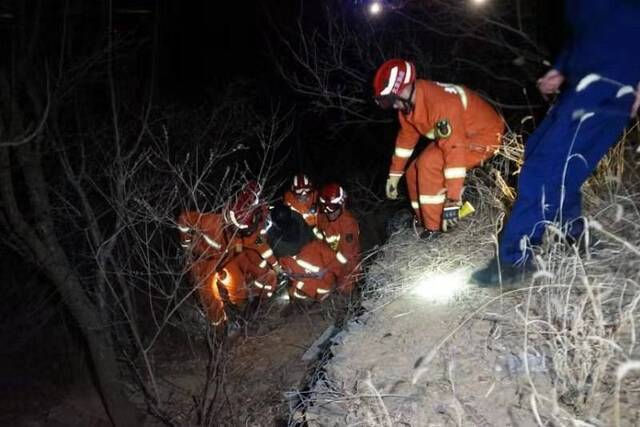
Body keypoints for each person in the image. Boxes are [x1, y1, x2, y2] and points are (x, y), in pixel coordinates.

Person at [472, 0, 640, 286]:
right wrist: (561, 69)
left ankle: (515, 260)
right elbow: (586, 35)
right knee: (539, 150)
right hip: (584, 86)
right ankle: (574, 235)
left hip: (611, 84)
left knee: (543, 168)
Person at [373, 59, 505, 238]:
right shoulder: (409, 106)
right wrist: (395, 174)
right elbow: (406, 138)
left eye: (393, 101)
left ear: (404, 89)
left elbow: (454, 150)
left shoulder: (440, 103)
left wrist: (453, 199)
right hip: (460, 135)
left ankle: (435, 231)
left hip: (485, 136)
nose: (394, 106)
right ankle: (424, 221)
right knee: (413, 171)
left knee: (429, 163)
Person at [315, 183, 361, 294]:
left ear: (341, 204)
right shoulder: (323, 217)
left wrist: (327, 268)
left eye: (332, 207)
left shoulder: (348, 224)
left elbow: (345, 255)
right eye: (324, 207)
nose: (329, 212)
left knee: (345, 287)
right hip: (332, 254)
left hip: (349, 260)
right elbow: (321, 235)